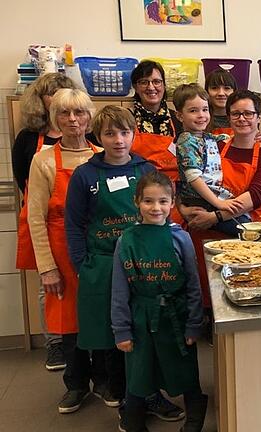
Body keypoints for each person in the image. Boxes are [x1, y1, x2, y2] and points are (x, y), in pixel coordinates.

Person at [64, 104, 184, 422]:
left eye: (125, 132)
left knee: (148, 331)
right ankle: (125, 397)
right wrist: (82, 265)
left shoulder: (145, 170)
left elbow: (162, 215)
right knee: (118, 336)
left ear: (134, 134)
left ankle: (150, 394)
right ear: (99, 136)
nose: (118, 140)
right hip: (103, 265)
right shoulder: (85, 175)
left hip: (145, 267)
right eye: (110, 133)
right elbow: (74, 225)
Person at [112, 171, 208, 432]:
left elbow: (193, 285)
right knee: (139, 373)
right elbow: (119, 291)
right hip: (140, 319)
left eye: (163, 201)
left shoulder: (181, 238)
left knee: (185, 371)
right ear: (136, 202)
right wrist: (121, 330)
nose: (156, 208)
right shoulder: (125, 240)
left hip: (176, 318)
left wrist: (193, 324)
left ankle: (195, 420)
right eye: (148, 201)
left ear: (172, 202)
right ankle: (133, 421)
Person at [27, 88, 98, 413]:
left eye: (79, 113)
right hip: (61, 254)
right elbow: (35, 218)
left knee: (104, 319)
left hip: (100, 252)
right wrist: (47, 268)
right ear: (55, 118)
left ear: (89, 116)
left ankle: (107, 380)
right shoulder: (42, 160)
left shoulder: (102, 153)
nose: (73, 120)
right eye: (65, 114)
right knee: (70, 325)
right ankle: (76, 384)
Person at [179, 89, 261, 308]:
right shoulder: (213, 145)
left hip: (251, 235)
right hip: (207, 234)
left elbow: (257, 195)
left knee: (249, 289)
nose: (242, 118)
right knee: (208, 290)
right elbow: (187, 177)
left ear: (258, 117)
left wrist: (215, 216)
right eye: (235, 114)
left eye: (248, 113)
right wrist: (182, 208)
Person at [12, 72, 82, 371]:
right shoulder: (31, 142)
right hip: (48, 226)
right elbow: (22, 182)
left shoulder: (93, 149)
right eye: (59, 106)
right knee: (52, 288)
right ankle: (56, 345)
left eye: (77, 111)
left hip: (82, 235)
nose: (71, 118)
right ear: (45, 105)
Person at [174, 83, 247, 235]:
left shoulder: (206, 136)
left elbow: (225, 138)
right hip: (201, 201)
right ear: (180, 116)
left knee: (246, 223)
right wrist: (219, 203)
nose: (201, 115)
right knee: (245, 229)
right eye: (193, 111)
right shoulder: (186, 141)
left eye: (205, 110)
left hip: (213, 197)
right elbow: (194, 178)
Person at [129, 60, 183, 183]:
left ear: (164, 85)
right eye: (144, 82)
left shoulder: (178, 119)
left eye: (157, 82)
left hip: (174, 189)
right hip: (138, 187)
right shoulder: (127, 119)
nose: (151, 87)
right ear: (136, 87)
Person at [205, 68, 237, 135]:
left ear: (234, 91)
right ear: (206, 92)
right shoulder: (201, 119)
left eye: (227, 88)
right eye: (214, 88)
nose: (221, 93)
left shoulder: (243, 118)